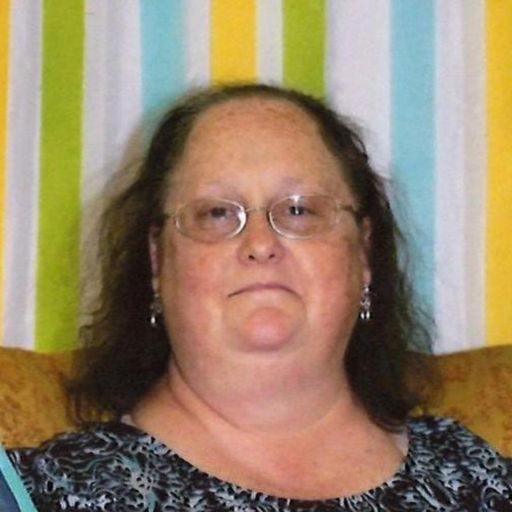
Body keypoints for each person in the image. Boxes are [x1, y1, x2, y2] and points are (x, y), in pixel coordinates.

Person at [7, 84, 512, 511]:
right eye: (216, 213)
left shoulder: (475, 478)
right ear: (157, 263)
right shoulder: (42, 494)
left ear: (363, 254)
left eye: (299, 210)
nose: (260, 244)